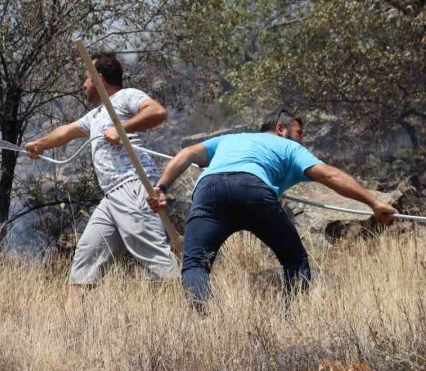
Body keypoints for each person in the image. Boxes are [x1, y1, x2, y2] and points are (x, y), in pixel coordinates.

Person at [147, 110, 399, 309]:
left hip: (209, 190)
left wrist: (161, 187)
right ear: (281, 129)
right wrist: (374, 203)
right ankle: (293, 318)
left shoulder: (230, 139)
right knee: (295, 261)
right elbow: (330, 175)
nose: (302, 139)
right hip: (253, 190)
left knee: (194, 264)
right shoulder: (290, 147)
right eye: (299, 132)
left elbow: (188, 154)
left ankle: (206, 319)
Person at [25, 53, 179, 304]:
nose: (84, 84)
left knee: (154, 257)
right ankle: (71, 319)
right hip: (111, 197)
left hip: (133, 185)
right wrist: (39, 144)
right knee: (87, 255)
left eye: (87, 78)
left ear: (100, 79)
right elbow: (66, 131)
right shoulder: (95, 115)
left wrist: (121, 129)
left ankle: (185, 310)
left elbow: (157, 112)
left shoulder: (126, 96)